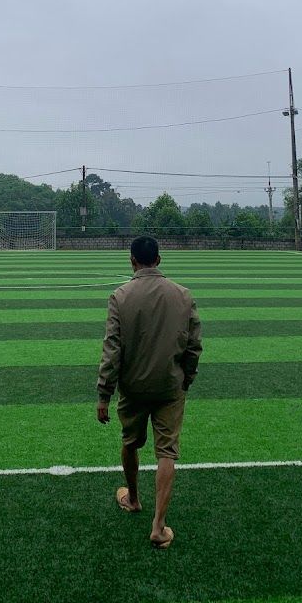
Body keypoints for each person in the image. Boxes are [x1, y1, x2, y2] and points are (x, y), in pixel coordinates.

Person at [97, 234, 202, 549]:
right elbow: (193, 346)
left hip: (133, 388)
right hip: (170, 386)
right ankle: (158, 526)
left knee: (130, 442)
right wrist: (187, 378)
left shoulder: (120, 297)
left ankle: (133, 498)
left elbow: (112, 350)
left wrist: (104, 394)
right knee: (166, 452)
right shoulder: (183, 295)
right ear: (159, 259)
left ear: (132, 261)